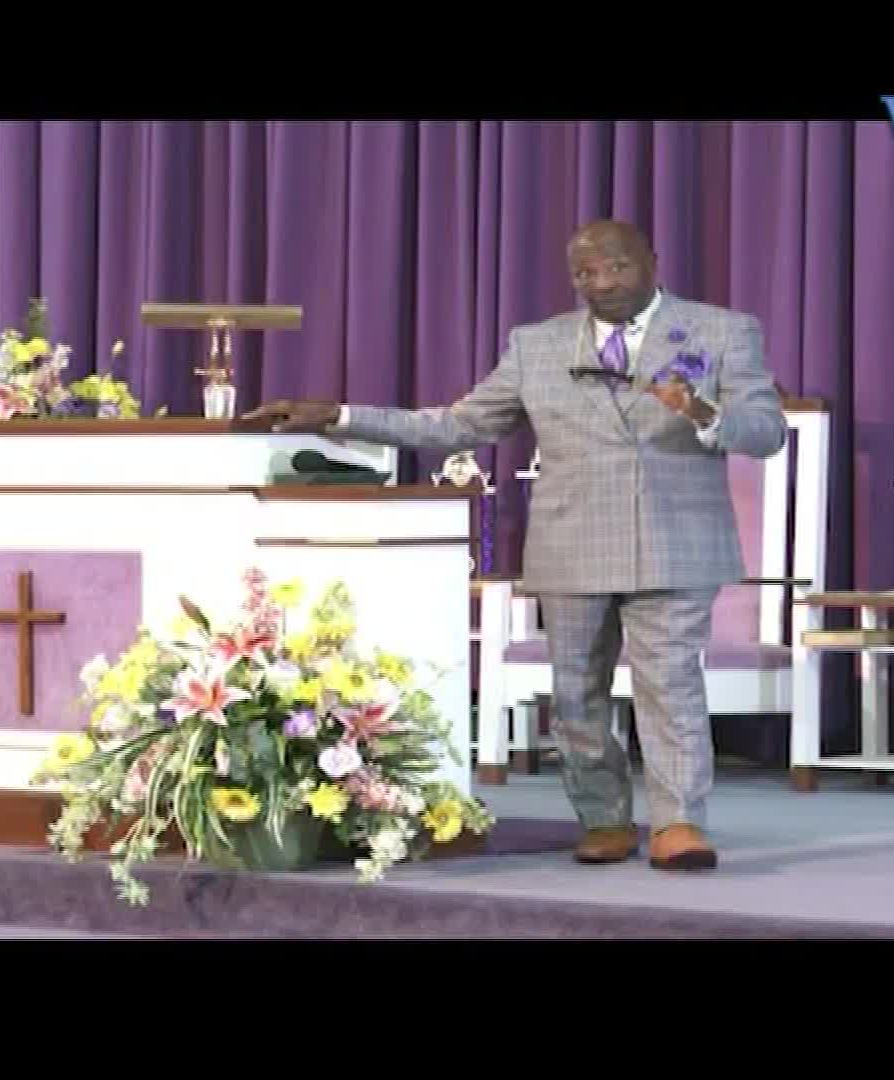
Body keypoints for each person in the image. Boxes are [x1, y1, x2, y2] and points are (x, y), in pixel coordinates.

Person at [245, 220, 788, 871]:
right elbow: (459, 424)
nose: (602, 282)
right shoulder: (538, 344)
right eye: (585, 272)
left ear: (651, 260)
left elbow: (766, 431)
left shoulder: (722, 331)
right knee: (576, 694)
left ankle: (679, 823)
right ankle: (604, 817)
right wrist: (341, 416)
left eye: (616, 266)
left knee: (670, 685)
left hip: (678, 539)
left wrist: (703, 412)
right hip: (573, 539)